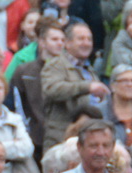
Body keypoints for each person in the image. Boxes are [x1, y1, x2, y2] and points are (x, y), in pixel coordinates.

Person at [40, 21, 105, 150]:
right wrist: (87, 87)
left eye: (89, 39)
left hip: (89, 139)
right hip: (61, 139)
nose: (86, 43)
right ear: (67, 43)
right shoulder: (56, 65)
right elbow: (52, 89)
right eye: (81, 39)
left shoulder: (89, 70)